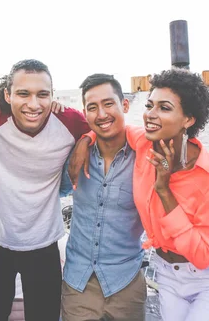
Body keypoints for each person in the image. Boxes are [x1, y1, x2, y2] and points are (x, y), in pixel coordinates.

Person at [70, 68, 209, 320]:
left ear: (188, 119)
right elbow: (111, 127)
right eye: (150, 105)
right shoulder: (143, 143)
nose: (150, 114)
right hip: (167, 276)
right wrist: (85, 139)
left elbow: (203, 256)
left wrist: (164, 191)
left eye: (164, 107)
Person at [0, 59, 89, 320]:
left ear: (53, 96)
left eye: (42, 94)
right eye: (23, 94)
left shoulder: (70, 121)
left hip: (45, 243)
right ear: (7, 95)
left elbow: (108, 131)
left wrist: (87, 139)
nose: (33, 104)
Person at [60, 74, 146, 321]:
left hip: (126, 282)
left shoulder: (144, 158)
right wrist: (85, 138)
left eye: (109, 104)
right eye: (92, 107)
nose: (101, 114)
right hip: (78, 283)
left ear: (125, 105)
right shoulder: (76, 156)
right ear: (85, 113)